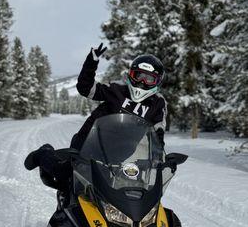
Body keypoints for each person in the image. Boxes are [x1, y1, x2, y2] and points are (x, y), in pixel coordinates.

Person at [24, 43, 167, 196]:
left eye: (149, 79)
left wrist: (158, 158)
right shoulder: (117, 90)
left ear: (157, 82)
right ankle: (44, 154)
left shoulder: (158, 104)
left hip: (120, 154)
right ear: (131, 75)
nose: (142, 82)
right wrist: (91, 62)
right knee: (65, 177)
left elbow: (158, 133)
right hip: (89, 142)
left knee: (109, 193)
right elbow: (86, 88)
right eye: (139, 76)